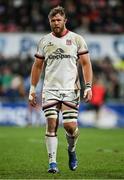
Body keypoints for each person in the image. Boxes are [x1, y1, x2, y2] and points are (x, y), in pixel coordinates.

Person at [29, 6, 93, 173]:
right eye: (52, 20)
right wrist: (32, 89)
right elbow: (37, 66)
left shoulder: (77, 39)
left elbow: (86, 64)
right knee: (51, 124)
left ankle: (71, 150)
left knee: (70, 127)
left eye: (58, 20)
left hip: (70, 89)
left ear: (65, 20)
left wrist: (88, 86)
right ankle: (52, 163)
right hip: (50, 88)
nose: (55, 23)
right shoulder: (44, 41)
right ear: (49, 22)